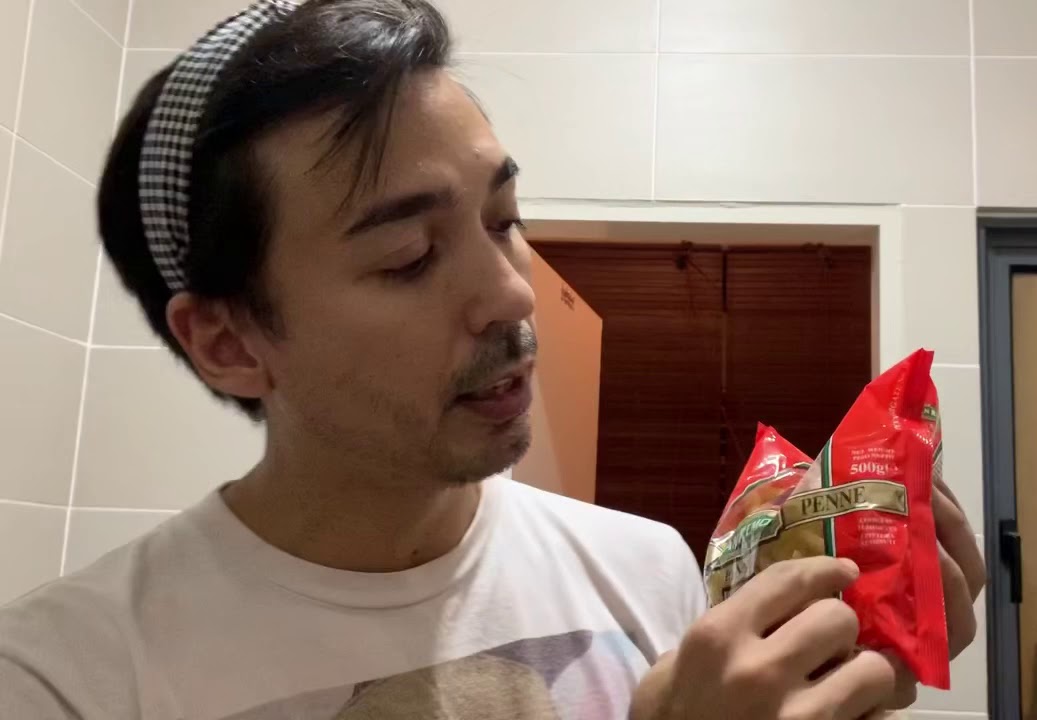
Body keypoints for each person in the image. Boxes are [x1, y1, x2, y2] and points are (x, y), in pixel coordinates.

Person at [0, 0, 986, 718]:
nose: (515, 293)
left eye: (504, 219)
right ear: (230, 343)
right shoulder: (65, 679)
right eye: (408, 256)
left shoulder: (646, 571)